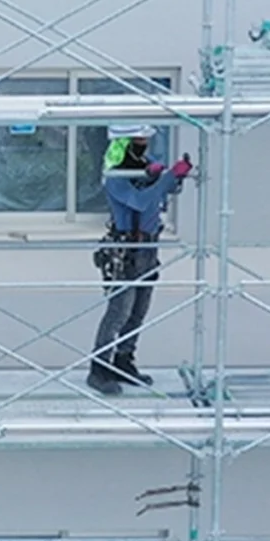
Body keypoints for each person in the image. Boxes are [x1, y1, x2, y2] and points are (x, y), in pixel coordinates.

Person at [90, 124, 192, 394]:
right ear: (122, 144)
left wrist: (171, 177)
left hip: (148, 249)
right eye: (138, 141)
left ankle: (124, 361)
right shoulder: (115, 176)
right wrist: (166, 179)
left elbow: (165, 192)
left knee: (138, 312)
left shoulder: (142, 166)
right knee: (119, 312)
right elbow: (140, 201)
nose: (143, 145)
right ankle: (99, 368)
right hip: (125, 251)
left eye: (145, 140)